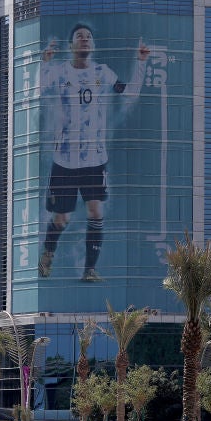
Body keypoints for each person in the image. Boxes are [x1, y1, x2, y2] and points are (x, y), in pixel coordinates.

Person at [37, 23, 148, 282]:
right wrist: (44, 63)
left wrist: (140, 63)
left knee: (96, 212)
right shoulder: (60, 71)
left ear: (93, 45)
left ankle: (90, 270)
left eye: (88, 36)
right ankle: (48, 252)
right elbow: (39, 90)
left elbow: (128, 93)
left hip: (95, 160)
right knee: (62, 218)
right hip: (64, 160)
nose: (85, 39)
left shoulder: (103, 72)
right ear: (71, 46)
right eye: (79, 36)